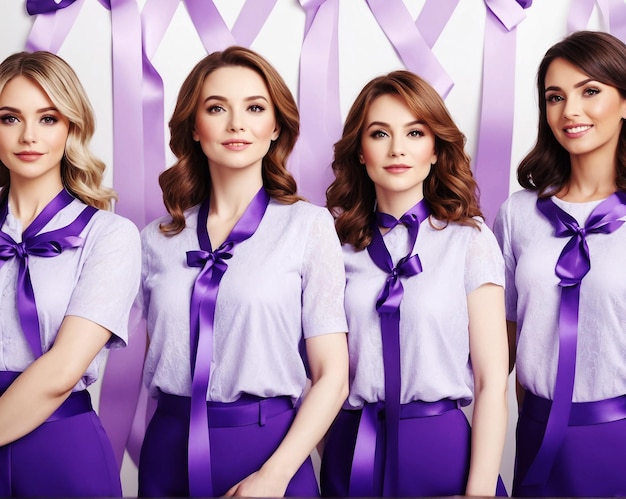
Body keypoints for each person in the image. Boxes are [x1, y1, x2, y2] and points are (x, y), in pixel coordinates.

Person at [137, 46, 349, 497]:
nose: (236, 124)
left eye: (254, 108)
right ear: (194, 127)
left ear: (276, 126)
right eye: (217, 108)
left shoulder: (308, 227)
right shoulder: (155, 239)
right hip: (168, 447)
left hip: (269, 447)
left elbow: (333, 374)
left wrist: (274, 477)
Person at [320, 70, 509, 497]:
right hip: (354, 449)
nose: (398, 149)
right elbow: (316, 372)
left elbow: (491, 381)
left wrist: (478, 491)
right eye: (380, 133)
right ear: (361, 152)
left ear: (437, 149)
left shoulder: (470, 241)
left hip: (443, 449)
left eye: (415, 132)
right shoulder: (333, 244)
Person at [0, 51, 141, 497]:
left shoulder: (111, 235)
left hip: (62, 447)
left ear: (71, 127)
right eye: (9, 118)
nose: (28, 136)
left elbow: (63, 369)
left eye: (47, 118)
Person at [494, 30, 626, 497]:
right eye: (555, 96)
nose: (570, 111)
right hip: (536, 429)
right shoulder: (517, 214)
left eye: (590, 90)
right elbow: (502, 345)